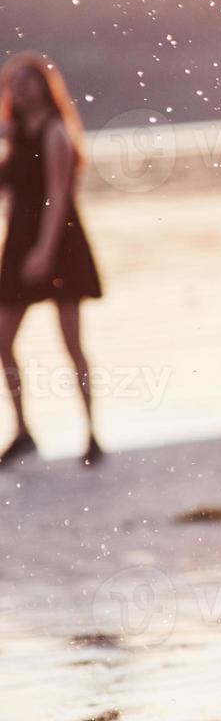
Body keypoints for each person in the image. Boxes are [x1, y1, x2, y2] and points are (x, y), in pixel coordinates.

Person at [0, 53, 104, 468]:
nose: (21, 88)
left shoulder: (57, 131)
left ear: (45, 87)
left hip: (59, 244)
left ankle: (92, 434)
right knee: (3, 342)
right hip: (19, 244)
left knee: (71, 345)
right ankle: (23, 432)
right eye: (14, 82)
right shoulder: (17, 136)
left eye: (29, 81)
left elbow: (59, 197)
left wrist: (44, 251)